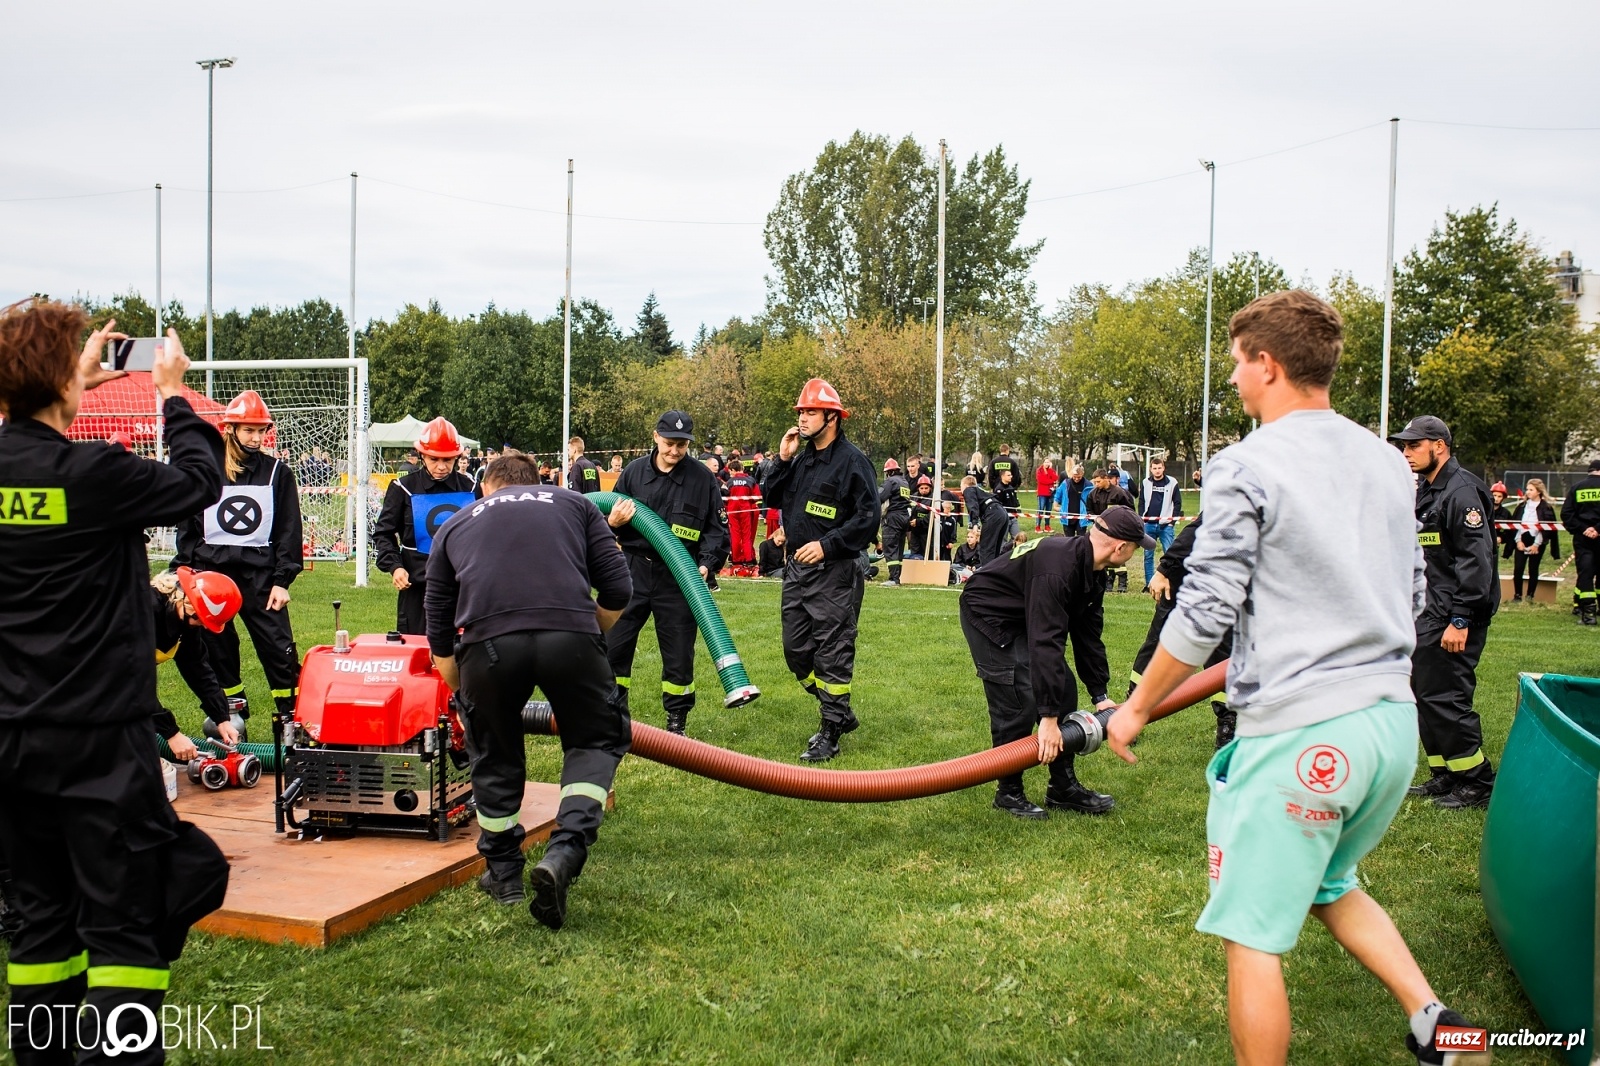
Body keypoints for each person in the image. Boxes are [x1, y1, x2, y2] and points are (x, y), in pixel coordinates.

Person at [1108, 289, 1489, 1066]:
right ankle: (1440, 1028)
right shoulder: (1387, 461)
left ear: (1268, 365)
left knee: (1250, 932)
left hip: (1304, 734)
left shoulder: (1246, 464)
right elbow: (1414, 589)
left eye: (1238, 364)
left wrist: (1138, 705)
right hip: (1388, 726)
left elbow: (1208, 601)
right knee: (1330, 884)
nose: (1235, 379)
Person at [0, 306, 230, 1061]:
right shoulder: (92, 475)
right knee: (124, 922)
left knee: (40, 922)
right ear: (60, 379)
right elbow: (196, 482)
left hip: (12, 743)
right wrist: (172, 395)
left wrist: (68, 385)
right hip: (100, 740)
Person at [425, 454, 632, 930]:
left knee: (493, 751)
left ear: (487, 488)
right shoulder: (576, 504)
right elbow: (619, 586)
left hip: (488, 644)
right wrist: (587, 630)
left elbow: (437, 615)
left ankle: (504, 876)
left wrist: (463, 689)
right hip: (571, 636)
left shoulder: (456, 523)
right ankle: (564, 852)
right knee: (594, 740)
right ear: (537, 481)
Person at [960, 506, 1149, 818]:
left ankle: (1062, 788)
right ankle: (1008, 793)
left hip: (1024, 612)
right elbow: (1045, 641)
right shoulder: (1057, 568)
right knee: (1017, 692)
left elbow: (1088, 635)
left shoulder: (1093, 570)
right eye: (1135, 547)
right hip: (989, 614)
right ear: (1121, 547)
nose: (1133, 553)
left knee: (1063, 688)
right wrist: (1048, 720)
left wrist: (1100, 696)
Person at [760, 378, 878, 762]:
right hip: (795, 569)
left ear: (832, 417)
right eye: (801, 412)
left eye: (810, 411)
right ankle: (839, 711)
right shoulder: (803, 458)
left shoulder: (853, 462)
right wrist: (783, 458)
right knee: (796, 652)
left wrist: (827, 545)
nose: (803, 418)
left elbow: (868, 518)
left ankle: (830, 729)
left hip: (835, 572)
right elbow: (771, 497)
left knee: (833, 650)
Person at [172, 388, 304, 729]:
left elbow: (289, 530)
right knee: (217, 648)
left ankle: (292, 716)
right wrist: (184, 571)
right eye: (249, 430)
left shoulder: (277, 473)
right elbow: (189, 524)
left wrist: (282, 580)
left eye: (261, 430)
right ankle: (231, 711)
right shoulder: (208, 469)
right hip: (212, 577)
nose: (257, 437)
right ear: (230, 428)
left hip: (261, 579)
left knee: (279, 649)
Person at [1390, 415, 1500, 809]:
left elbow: (1476, 562)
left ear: (1439, 445)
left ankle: (1477, 781)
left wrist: (1461, 619)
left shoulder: (1462, 491)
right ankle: (1446, 773)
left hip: (1455, 616)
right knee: (1425, 693)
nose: (1406, 452)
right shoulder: (1429, 490)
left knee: (1447, 696)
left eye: (1413, 445)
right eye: (1403, 446)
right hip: (1430, 612)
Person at [604, 412, 727, 735]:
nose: (674, 451)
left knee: (678, 653)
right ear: (655, 437)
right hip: (633, 569)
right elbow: (603, 516)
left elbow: (716, 533)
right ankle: (614, 717)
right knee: (614, 645)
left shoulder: (702, 479)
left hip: (679, 574)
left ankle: (676, 723)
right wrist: (612, 523)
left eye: (682, 445)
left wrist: (705, 564)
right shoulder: (633, 474)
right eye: (670, 443)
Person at [1127, 506, 1235, 749]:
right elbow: (1195, 531)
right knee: (1159, 647)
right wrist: (1165, 570)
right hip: (1182, 579)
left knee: (1222, 657)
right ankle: (1132, 711)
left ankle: (1228, 724)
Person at [372, 417, 479, 635]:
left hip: (461, 586)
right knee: (417, 651)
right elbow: (383, 533)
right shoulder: (403, 488)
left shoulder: (472, 488)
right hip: (417, 586)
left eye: (448, 460)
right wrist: (395, 566)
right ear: (422, 456)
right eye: (434, 459)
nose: (441, 466)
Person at [150, 567, 245, 759]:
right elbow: (129, 682)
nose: (200, 626)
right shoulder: (144, 613)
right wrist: (171, 733)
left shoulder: (184, 621)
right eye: (199, 620)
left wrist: (222, 718)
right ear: (188, 602)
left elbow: (198, 669)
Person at [1562, 458, 1600, 625]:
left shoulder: (1577, 488)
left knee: (1585, 574)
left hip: (1583, 539)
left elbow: (1567, 514)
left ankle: (1588, 615)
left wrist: (1584, 529)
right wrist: (1598, 529)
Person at [1508, 478, 1559, 603]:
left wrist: (1536, 544)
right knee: (1518, 568)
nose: (1528, 492)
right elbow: (1516, 524)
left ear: (1538, 491)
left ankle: (1530, 595)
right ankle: (1517, 595)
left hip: (1537, 540)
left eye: (1531, 489)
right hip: (1522, 539)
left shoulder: (1545, 507)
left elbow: (1547, 528)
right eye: (1527, 489)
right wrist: (1518, 541)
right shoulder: (1522, 506)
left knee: (1533, 569)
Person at [1137, 456, 1183, 589]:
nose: (1157, 470)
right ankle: (1149, 584)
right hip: (1149, 524)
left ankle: (1171, 582)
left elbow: (1177, 503)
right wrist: (1142, 518)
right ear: (1151, 469)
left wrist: (1171, 522)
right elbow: (1141, 501)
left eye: (1159, 468)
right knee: (1148, 555)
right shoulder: (1145, 482)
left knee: (1170, 554)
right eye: (1154, 468)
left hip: (1165, 526)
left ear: (1163, 468)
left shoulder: (1172, 482)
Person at [1088, 467, 1135, 591]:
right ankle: (1108, 583)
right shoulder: (1092, 494)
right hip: (1101, 532)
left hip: (1118, 531)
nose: (1096, 484)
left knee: (1119, 558)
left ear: (1106, 479)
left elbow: (1130, 510)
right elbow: (1089, 511)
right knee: (1104, 557)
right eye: (1095, 482)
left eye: (1098, 481)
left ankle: (1122, 584)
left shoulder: (1119, 493)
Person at [960, 475, 1012, 565]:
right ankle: (995, 572)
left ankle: (986, 574)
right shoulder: (981, 491)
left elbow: (973, 506)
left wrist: (974, 523)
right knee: (995, 548)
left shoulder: (969, 490)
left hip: (992, 513)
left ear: (964, 485)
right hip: (1002, 513)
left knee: (986, 548)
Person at [878, 458, 911, 586]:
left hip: (892, 518)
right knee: (899, 549)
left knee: (890, 547)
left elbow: (879, 497)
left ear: (889, 472)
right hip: (904, 518)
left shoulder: (890, 481)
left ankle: (893, 579)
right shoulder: (904, 482)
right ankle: (897, 577)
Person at [726, 459, 761, 574]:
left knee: (735, 534)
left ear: (733, 470)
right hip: (746, 509)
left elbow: (725, 496)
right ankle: (748, 559)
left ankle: (736, 560)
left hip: (732, 510)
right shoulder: (750, 480)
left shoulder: (730, 482)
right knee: (747, 535)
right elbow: (757, 497)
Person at [1056, 463, 1089, 537]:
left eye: (1079, 477)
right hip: (1067, 517)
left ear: (1082, 474)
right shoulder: (1065, 483)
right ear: (1071, 474)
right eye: (1074, 477)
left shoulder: (1088, 485)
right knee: (1068, 540)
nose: (1076, 479)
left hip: (1082, 518)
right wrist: (1055, 505)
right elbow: (1058, 494)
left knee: (1081, 539)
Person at [1034, 459, 1059, 531]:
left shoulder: (1052, 471)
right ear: (1043, 463)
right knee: (1040, 509)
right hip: (1042, 493)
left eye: (1048, 462)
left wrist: (1050, 471)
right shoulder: (1039, 470)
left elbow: (1056, 478)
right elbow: (1041, 480)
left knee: (1048, 510)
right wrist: (1051, 481)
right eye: (1045, 462)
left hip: (1050, 493)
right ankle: (1037, 526)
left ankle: (1047, 526)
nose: (1046, 463)